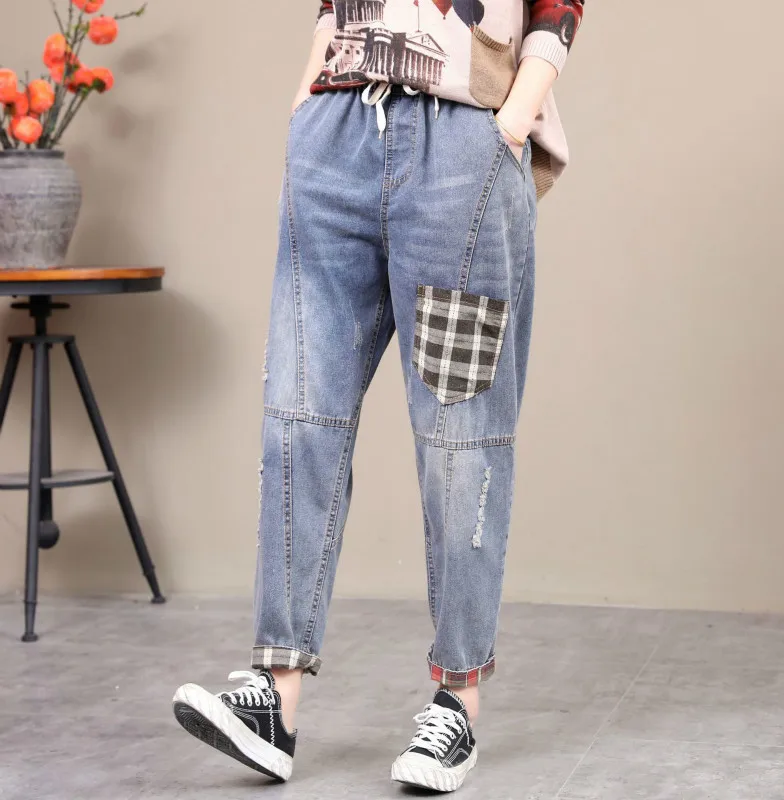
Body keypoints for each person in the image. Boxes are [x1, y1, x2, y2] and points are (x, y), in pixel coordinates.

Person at [173, 0, 586, 792]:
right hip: (335, 141)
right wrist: (306, 102)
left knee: (459, 441)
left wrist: (510, 122)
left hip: (460, 151)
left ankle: (457, 703)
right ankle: (275, 701)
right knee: (298, 417)